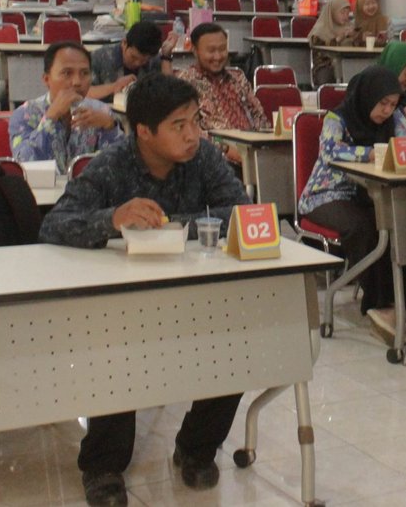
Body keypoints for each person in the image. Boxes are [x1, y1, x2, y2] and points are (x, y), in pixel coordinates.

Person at [40, 74, 249, 502]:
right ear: (144, 132)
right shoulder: (113, 163)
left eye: (196, 121)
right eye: (179, 125)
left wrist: (173, 226)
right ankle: (102, 466)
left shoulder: (204, 158)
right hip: (124, 306)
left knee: (236, 347)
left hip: (195, 295)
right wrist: (112, 219)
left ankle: (196, 448)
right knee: (117, 357)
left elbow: (242, 213)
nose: (192, 135)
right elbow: (53, 225)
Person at [296, 67, 406, 342]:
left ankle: (403, 297)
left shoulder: (395, 117)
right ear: (368, 96)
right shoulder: (337, 118)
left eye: (393, 104)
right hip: (326, 195)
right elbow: (331, 151)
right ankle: (378, 303)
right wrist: (373, 153)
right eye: (383, 103)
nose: (387, 110)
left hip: (370, 194)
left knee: (401, 222)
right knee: (363, 227)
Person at [8, 41, 123, 166]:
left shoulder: (101, 111)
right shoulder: (26, 114)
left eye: (85, 73)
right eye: (67, 73)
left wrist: (110, 127)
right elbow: (23, 163)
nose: (77, 82)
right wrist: (51, 117)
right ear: (46, 79)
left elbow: (121, 166)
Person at [176, 23, 269, 164]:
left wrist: (263, 144)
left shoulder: (238, 77)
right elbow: (191, 132)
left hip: (251, 151)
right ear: (195, 51)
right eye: (211, 51)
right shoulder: (185, 83)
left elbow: (259, 116)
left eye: (222, 49)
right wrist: (225, 148)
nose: (218, 56)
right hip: (215, 159)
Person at [89, 20, 173, 100]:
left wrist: (166, 57)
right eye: (133, 57)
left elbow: (169, 91)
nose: (137, 63)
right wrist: (115, 86)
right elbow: (84, 92)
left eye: (144, 60)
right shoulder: (100, 57)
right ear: (124, 43)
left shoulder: (153, 59)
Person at [307, 0, 359, 86]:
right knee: (327, 75)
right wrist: (339, 38)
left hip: (347, 62)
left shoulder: (349, 26)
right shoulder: (321, 28)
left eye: (347, 13)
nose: (345, 16)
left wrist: (355, 38)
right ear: (333, 12)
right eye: (342, 13)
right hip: (325, 64)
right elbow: (318, 45)